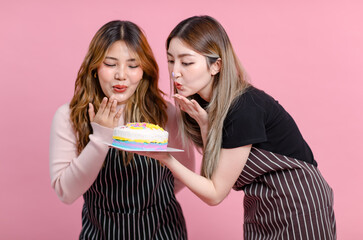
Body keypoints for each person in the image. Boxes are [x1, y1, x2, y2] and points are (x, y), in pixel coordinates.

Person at [137, 15, 336, 239]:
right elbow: (211, 175)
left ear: (216, 66)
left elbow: (214, 194)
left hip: (299, 203)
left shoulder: (243, 108)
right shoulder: (205, 107)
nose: (175, 72)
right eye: (171, 60)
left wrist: (165, 158)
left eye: (187, 62)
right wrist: (205, 125)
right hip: (262, 203)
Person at [49, 20, 194, 240]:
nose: (121, 75)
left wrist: (147, 207)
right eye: (110, 64)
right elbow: (66, 193)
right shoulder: (68, 117)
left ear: (144, 70)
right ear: (95, 68)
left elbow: (185, 174)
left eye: (133, 66)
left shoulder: (167, 113)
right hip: (100, 233)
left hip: (163, 232)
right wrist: (99, 139)